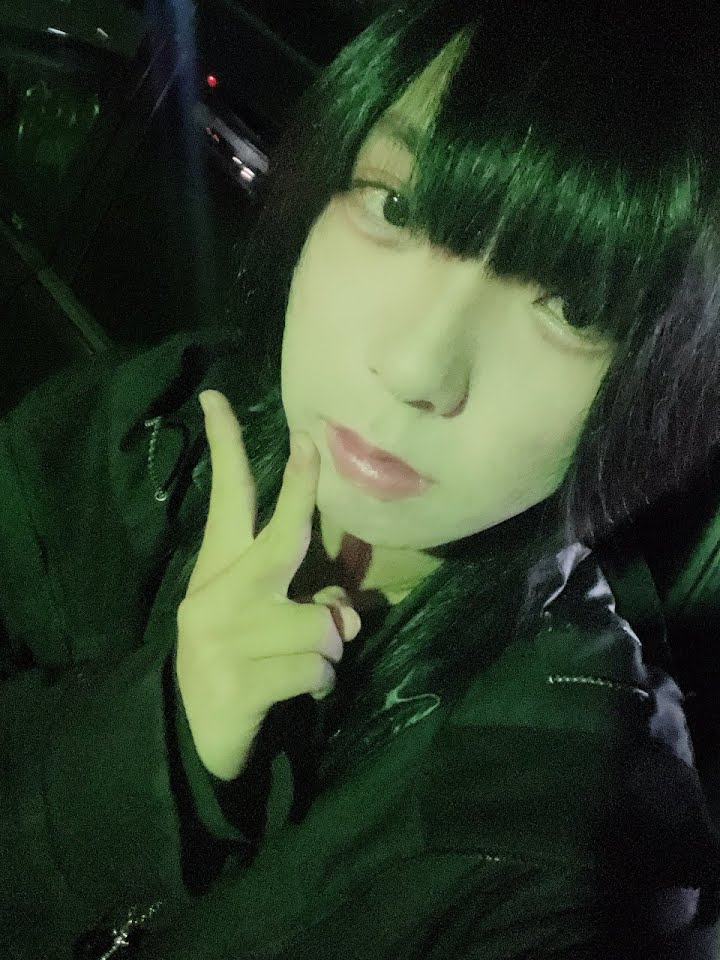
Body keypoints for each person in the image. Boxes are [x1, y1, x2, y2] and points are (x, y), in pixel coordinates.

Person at [1, 1, 720, 957]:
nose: (419, 367)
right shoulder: (140, 428)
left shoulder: (578, 836)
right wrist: (157, 743)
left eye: (573, 304)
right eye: (396, 207)